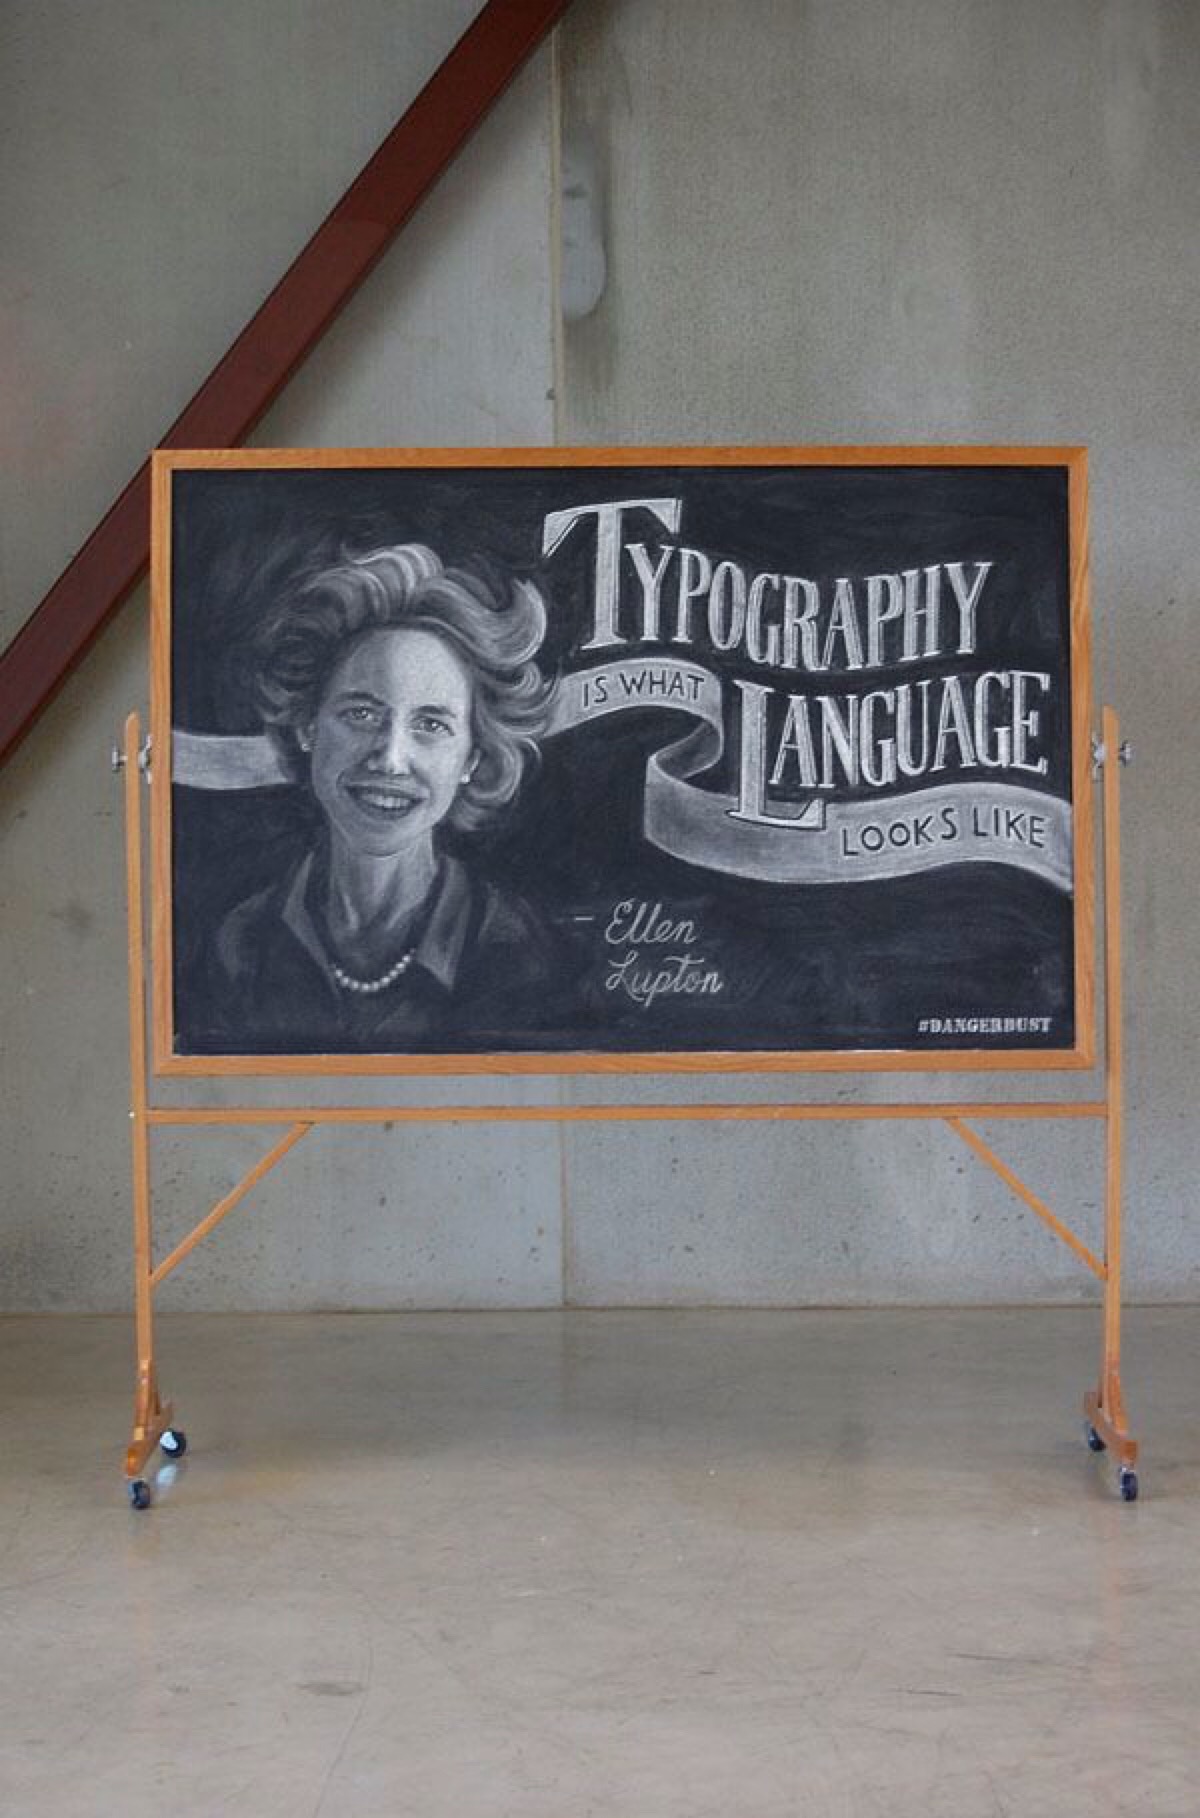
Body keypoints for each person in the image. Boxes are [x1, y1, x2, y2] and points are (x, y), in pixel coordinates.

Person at [201, 543, 565, 1049]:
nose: (390, 760)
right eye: (361, 714)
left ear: (473, 758)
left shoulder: (518, 957)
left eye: (431, 725)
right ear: (308, 727)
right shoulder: (240, 944)